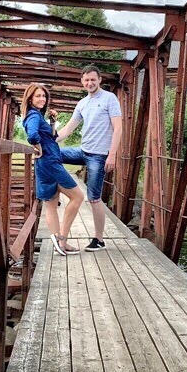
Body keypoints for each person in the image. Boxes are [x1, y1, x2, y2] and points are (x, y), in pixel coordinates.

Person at [55, 65, 122, 251]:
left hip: (99, 156)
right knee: (54, 154)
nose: (89, 83)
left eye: (93, 79)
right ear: (82, 82)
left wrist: (112, 154)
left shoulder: (110, 98)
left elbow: (118, 128)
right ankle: (57, 192)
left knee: (94, 198)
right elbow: (68, 129)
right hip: (83, 151)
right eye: (86, 80)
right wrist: (49, 141)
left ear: (100, 79)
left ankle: (99, 240)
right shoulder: (82, 103)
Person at [22, 82, 84, 257]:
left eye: (44, 96)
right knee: (78, 196)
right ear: (30, 98)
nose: (42, 99)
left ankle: (60, 242)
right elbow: (33, 136)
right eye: (38, 96)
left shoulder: (34, 116)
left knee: (50, 203)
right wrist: (38, 146)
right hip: (50, 162)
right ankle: (61, 239)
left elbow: (52, 137)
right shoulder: (34, 116)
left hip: (44, 164)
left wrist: (52, 122)